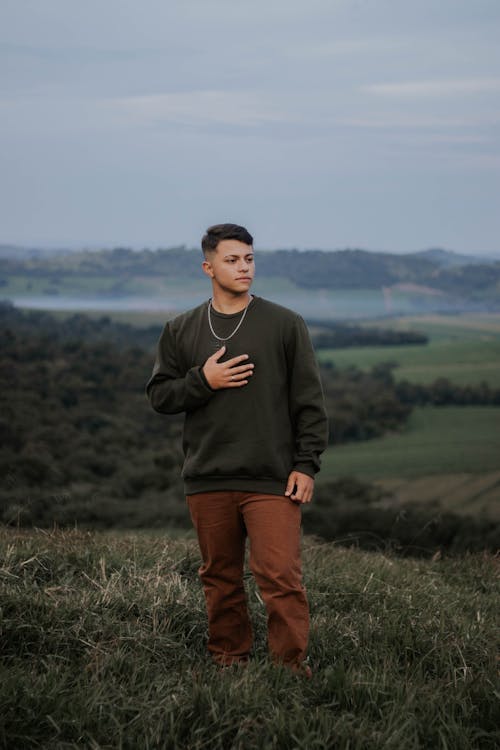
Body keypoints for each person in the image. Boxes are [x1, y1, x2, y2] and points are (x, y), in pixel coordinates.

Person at [146, 223, 328, 675]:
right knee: (220, 578)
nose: (244, 267)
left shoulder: (285, 324)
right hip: (208, 476)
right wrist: (202, 381)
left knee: (280, 578)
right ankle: (229, 662)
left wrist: (306, 465)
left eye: (249, 258)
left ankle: (290, 669)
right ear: (208, 267)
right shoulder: (181, 329)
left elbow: (309, 402)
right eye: (232, 259)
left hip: (271, 477)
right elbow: (160, 396)